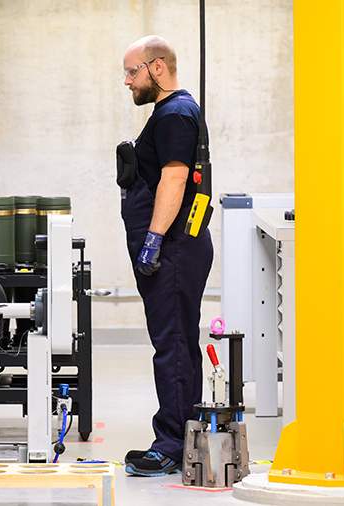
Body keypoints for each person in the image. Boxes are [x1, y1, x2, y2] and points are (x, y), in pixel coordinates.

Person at [119, 35, 214, 476]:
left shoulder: (175, 113)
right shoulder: (172, 112)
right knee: (177, 342)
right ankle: (185, 435)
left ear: (157, 67)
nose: (127, 81)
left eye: (132, 71)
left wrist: (154, 239)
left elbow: (174, 180)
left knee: (172, 345)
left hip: (172, 250)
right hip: (175, 249)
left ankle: (172, 444)